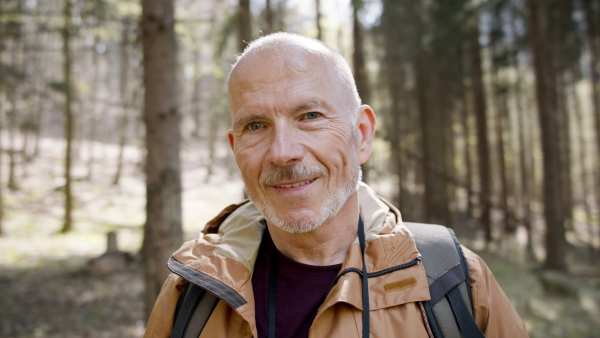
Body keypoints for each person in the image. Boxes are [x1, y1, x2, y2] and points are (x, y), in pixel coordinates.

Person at [144, 32, 528, 338]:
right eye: (256, 126)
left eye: (309, 116)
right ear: (235, 148)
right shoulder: (193, 290)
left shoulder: (453, 281)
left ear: (361, 135)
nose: (283, 152)